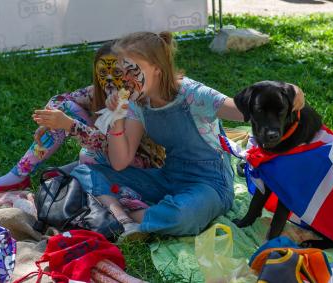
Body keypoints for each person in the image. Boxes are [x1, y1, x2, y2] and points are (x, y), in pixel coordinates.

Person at [71, 31, 305, 240]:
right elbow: (120, 162)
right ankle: (122, 219)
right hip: (169, 177)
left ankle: (128, 217)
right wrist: (117, 118)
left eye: (132, 70)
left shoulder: (193, 94)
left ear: (156, 69)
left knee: (184, 215)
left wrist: (293, 91)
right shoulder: (136, 102)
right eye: (121, 71)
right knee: (86, 168)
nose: (124, 80)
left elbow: (245, 110)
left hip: (210, 185)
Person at [0, 41, 165, 197]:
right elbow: (63, 99)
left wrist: (68, 124)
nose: (108, 79)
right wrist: (50, 119)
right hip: (107, 153)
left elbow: (115, 149)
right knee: (65, 107)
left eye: (116, 73)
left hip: (139, 164)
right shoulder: (97, 92)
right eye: (102, 73)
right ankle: (20, 173)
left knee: (88, 154)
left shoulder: (135, 98)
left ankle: (76, 173)